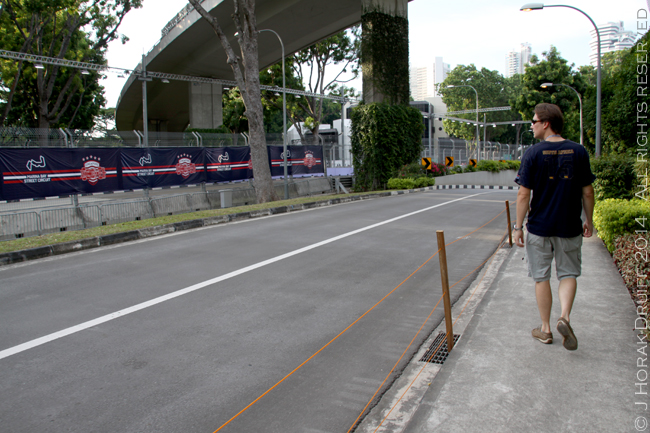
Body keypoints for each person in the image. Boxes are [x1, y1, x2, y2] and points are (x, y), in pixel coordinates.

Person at [513, 103, 595, 351]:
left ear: (546, 123)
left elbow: (523, 195)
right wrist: (589, 220)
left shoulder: (533, 153)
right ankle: (565, 318)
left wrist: (518, 227)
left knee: (541, 278)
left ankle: (546, 329)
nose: (532, 125)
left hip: (539, 227)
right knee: (568, 273)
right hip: (569, 225)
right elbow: (588, 191)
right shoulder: (579, 151)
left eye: (534, 121)